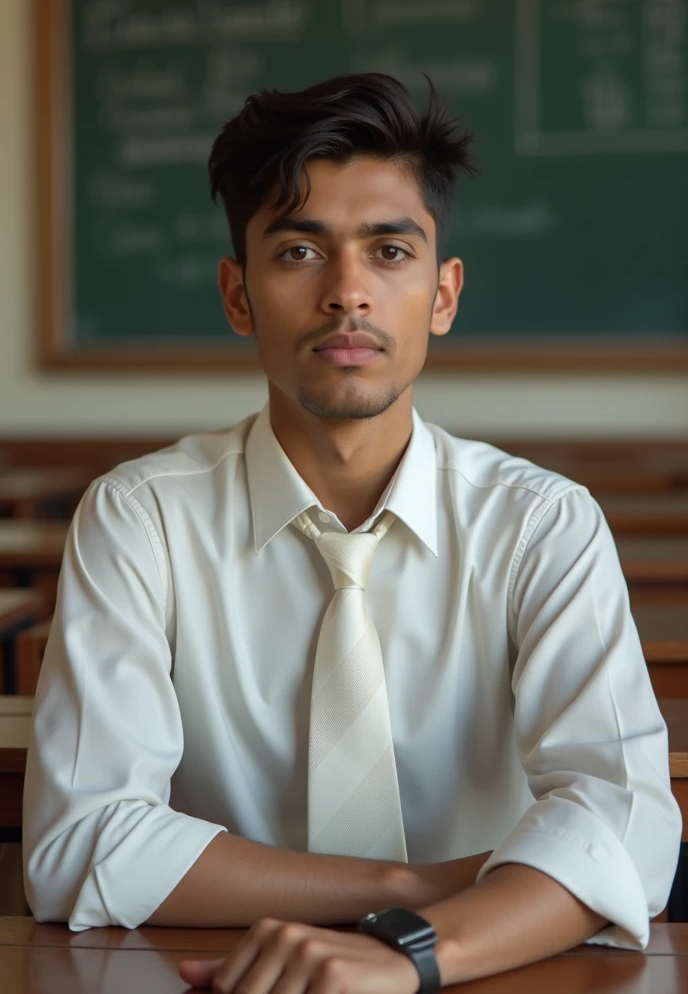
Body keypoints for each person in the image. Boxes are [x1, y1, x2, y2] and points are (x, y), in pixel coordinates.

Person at [23, 72, 681, 992]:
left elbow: (628, 828)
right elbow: (82, 840)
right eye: (298, 252)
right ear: (238, 295)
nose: (347, 293)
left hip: (489, 973)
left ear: (444, 295)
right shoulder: (142, 519)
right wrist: (411, 888)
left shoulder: (544, 525)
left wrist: (408, 951)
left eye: (389, 252)